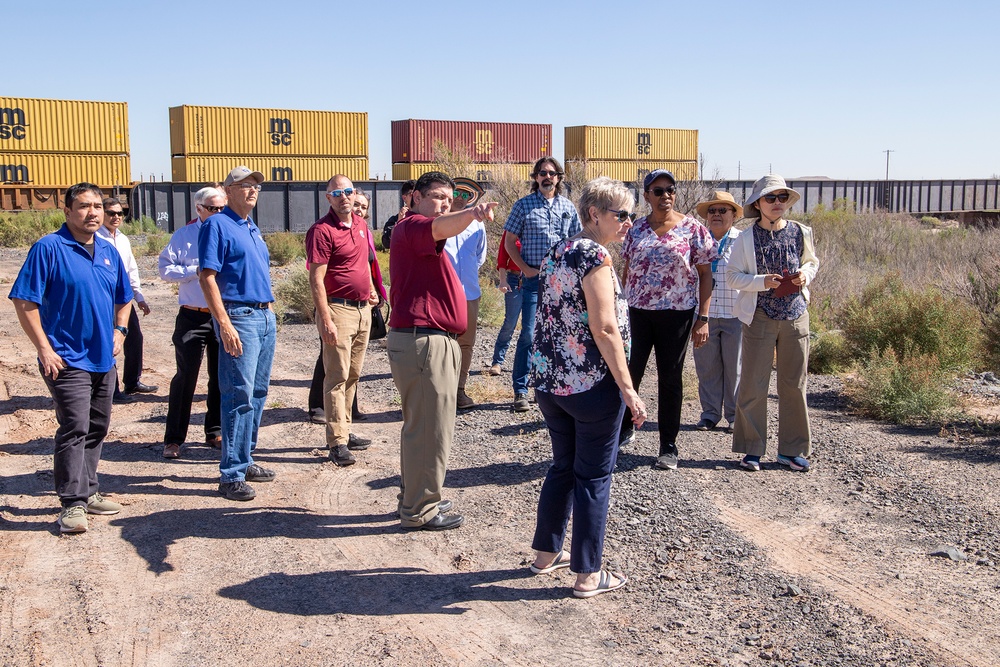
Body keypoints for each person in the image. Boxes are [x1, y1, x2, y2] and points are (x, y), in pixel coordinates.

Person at [528, 177, 646, 598]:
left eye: (631, 214)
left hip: (552, 383)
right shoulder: (594, 255)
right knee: (594, 476)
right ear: (594, 214)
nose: (629, 221)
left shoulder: (559, 250)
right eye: (622, 214)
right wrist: (628, 388)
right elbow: (606, 327)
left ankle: (545, 554)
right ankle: (588, 574)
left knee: (563, 466)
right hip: (591, 385)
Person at [8, 183, 133, 533]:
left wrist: (119, 332)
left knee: (98, 426)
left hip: (102, 358)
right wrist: (44, 349)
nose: (92, 212)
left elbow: (124, 298)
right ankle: (72, 503)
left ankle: (89, 491)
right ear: (67, 211)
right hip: (65, 358)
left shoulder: (108, 251)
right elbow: (25, 301)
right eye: (83, 206)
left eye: (97, 206)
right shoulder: (49, 248)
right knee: (75, 427)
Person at [387, 171, 496, 531]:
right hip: (425, 342)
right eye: (436, 197)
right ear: (414, 197)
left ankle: (419, 495)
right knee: (428, 431)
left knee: (430, 428)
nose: (444, 204)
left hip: (433, 340)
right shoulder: (414, 226)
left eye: (449, 199)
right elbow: (441, 227)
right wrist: (472, 214)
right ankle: (419, 509)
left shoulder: (422, 230)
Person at [619, 169, 716, 471]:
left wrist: (703, 318)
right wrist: (619, 305)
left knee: (670, 379)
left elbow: (705, 276)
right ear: (646, 195)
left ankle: (668, 445)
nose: (666, 196)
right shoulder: (635, 229)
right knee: (629, 372)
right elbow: (627, 271)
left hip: (677, 315)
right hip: (637, 312)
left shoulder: (693, 229)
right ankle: (623, 429)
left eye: (670, 190)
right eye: (658, 191)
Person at [727, 175, 819, 472]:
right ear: (758, 204)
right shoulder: (744, 238)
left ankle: (792, 451)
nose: (777, 203)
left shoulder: (801, 232)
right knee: (754, 384)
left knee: (794, 386)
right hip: (760, 317)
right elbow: (732, 276)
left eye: (782, 197)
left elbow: (811, 261)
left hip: (795, 315)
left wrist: (806, 274)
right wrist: (761, 281)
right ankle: (752, 449)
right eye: (770, 198)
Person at [198, 166, 278, 501]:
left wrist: (270, 314)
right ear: (227, 190)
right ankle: (230, 473)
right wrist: (224, 323)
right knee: (237, 395)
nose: (252, 191)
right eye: (244, 185)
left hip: (263, 315)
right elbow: (207, 277)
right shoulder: (217, 224)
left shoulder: (250, 227)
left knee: (258, 393)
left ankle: (246, 461)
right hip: (239, 316)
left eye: (255, 186)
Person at [305, 175, 380, 467]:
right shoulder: (321, 231)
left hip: (362, 310)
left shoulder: (361, 226)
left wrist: (371, 289)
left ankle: (344, 431)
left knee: (353, 376)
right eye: (337, 193)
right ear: (328, 198)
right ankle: (336, 442)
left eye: (348, 191)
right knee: (336, 377)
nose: (344, 197)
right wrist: (325, 317)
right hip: (338, 310)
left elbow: (362, 263)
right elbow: (316, 279)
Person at [503, 157, 581, 412]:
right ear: (535, 177)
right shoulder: (523, 206)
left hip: (562, 283)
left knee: (557, 336)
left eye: (551, 173)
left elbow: (577, 240)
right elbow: (509, 241)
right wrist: (525, 269)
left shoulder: (568, 207)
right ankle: (520, 390)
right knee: (528, 334)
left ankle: (548, 388)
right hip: (534, 281)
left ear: (559, 177)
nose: (547, 177)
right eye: (542, 173)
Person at [158, 185, 226, 459]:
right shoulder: (184, 236)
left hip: (223, 316)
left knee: (221, 377)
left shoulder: (229, 232)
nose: (219, 213)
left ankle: (215, 431)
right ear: (198, 209)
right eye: (213, 208)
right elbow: (165, 269)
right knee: (185, 377)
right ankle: (174, 439)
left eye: (222, 208)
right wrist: (194, 271)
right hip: (192, 316)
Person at [96, 198, 158, 403]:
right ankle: (111, 390)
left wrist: (139, 296)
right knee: (109, 342)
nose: (115, 217)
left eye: (119, 213)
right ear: (102, 214)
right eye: (111, 213)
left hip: (123, 298)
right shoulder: (95, 238)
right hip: (103, 298)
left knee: (134, 338)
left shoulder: (123, 239)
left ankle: (132, 382)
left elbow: (131, 269)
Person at [692, 191, 744, 435]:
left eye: (722, 210)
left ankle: (735, 416)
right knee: (707, 368)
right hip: (704, 316)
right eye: (712, 211)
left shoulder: (743, 242)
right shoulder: (699, 241)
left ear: (733, 215)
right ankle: (710, 414)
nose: (716, 215)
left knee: (736, 368)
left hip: (736, 315)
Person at [444, 177, 487, 410]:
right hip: (445, 293)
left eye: (465, 196)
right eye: (457, 194)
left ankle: (460, 390)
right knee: (443, 343)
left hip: (469, 291)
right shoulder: (439, 222)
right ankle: (442, 391)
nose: (460, 199)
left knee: (466, 343)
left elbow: (479, 257)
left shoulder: (477, 224)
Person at [487, 230, 523, 377]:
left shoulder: (538, 229)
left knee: (531, 327)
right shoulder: (512, 230)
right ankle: (497, 362)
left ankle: (528, 364)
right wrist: (502, 280)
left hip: (534, 281)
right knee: (510, 323)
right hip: (514, 280)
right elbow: (502, 255)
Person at [381, 179, 415, 250]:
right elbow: (386, 243)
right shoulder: (394, 220)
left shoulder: (426, 216)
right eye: (413, 194)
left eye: (420, 194)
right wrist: (399, 222)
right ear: (404, 198)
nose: (417, 197)